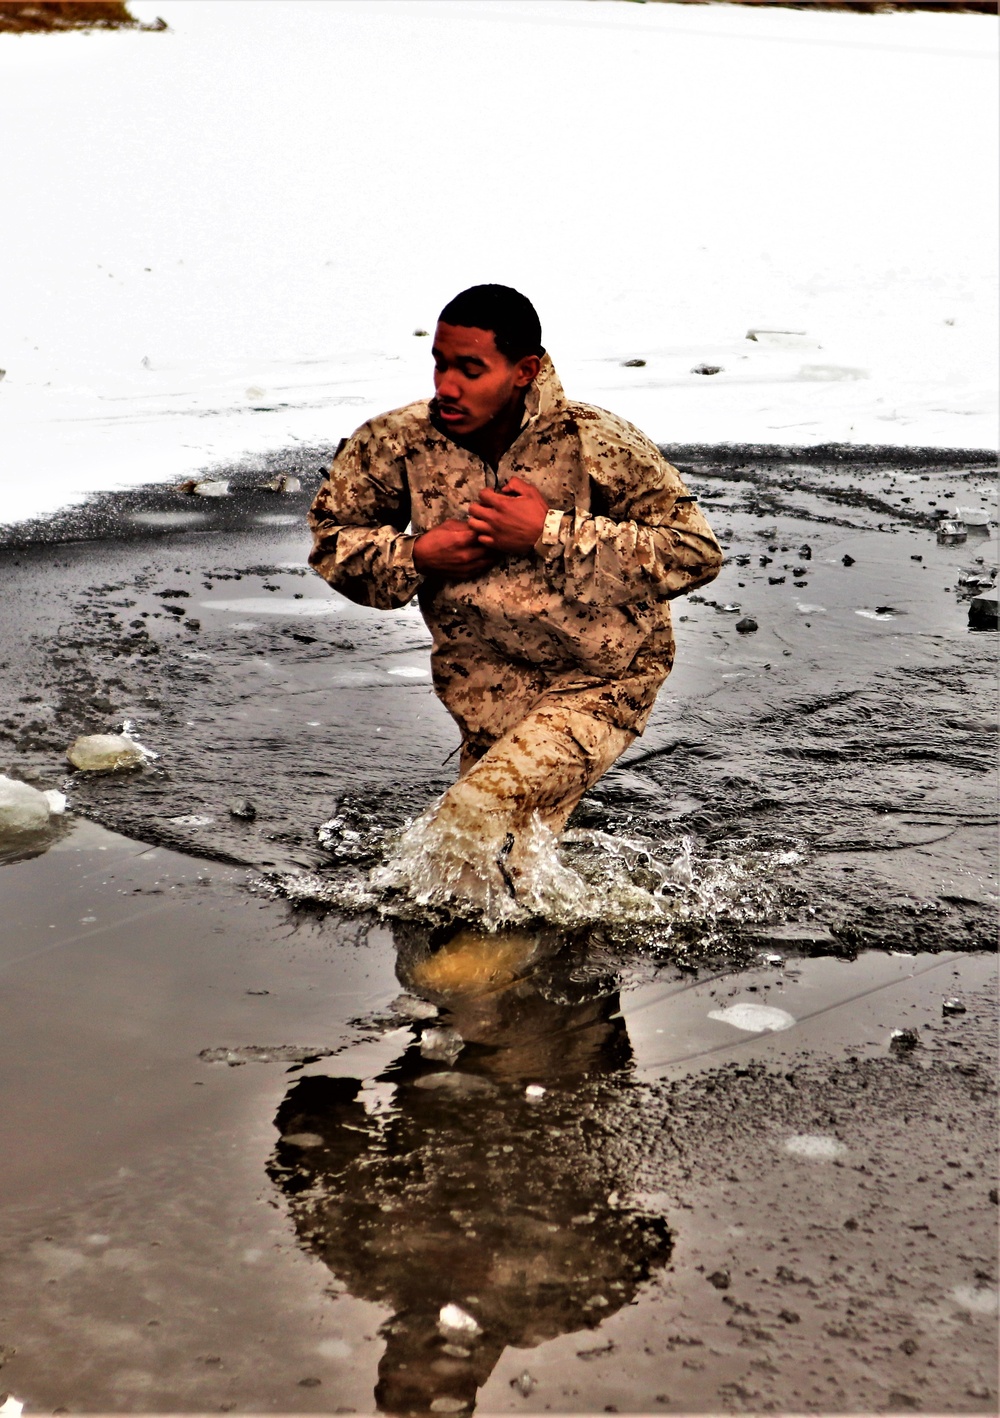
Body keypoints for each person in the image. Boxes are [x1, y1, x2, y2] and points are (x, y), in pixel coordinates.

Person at [308, 284, 722, 914]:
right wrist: (418, 555)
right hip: (483, 682)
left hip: (601, 678)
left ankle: (483, 978)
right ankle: (516, 984)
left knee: (471, 819)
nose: (448, 385)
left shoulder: (596, 443)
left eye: (471, 370)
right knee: (493, 868)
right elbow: (332, 541)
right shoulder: (397, 444)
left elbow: (694, 552)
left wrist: (548, 532)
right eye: (441, 364)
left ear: (523, 371)